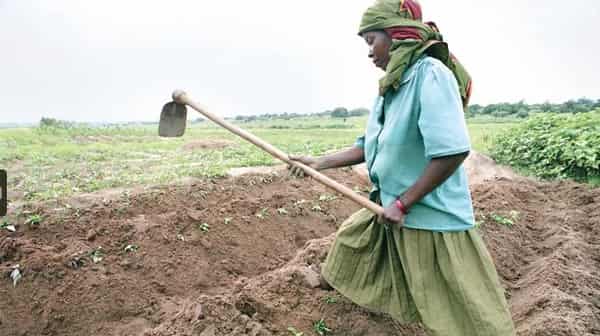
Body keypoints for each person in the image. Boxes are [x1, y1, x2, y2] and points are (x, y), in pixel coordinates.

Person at [289, 0, 516, 335]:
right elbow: (368, 145)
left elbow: (452, 152)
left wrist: (403, 203)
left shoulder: (431, 76)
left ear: (397, 36)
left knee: (461, 306)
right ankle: (333, 287)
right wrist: (318, 163)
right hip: (389, 200)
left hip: (430, 212)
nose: (369, 53)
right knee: (353, 240)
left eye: (371, 41)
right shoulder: (392, 84)